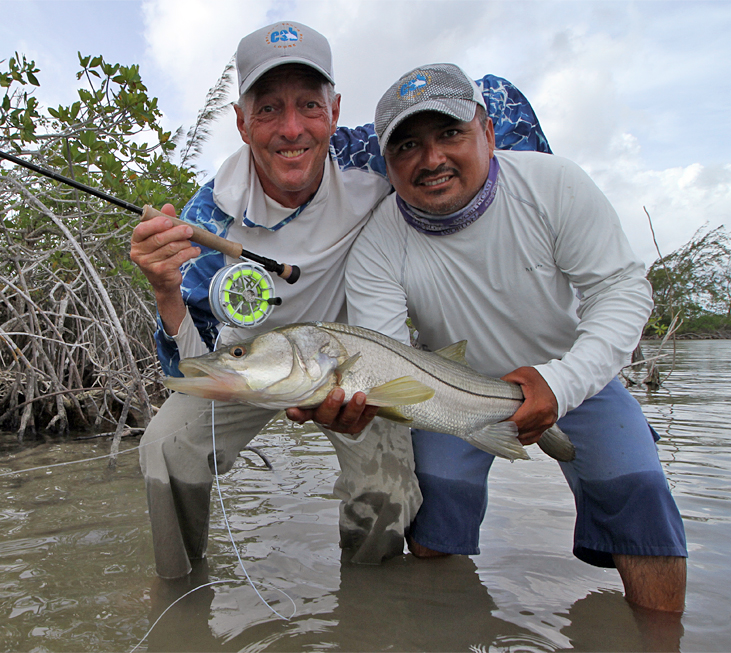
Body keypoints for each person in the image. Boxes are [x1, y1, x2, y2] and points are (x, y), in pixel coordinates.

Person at [130, 21, 551, 578]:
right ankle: (179, 590)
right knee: (165, 447)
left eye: (309, 105)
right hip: (252, 364)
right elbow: (189, 365)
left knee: (389, 494)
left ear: (334, 112)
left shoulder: (373, 158)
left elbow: (494, 101)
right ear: (241, 123)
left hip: (360, 363)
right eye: (268, 109)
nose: (291, 129)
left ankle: (367, 608)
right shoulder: (209, 217)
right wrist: (165, 289)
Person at [338, 63, 687, 612]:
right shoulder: (377, 245)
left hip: (574, 374)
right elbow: (387, 362)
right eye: (407, 145)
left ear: (489, 132)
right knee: (433, 510)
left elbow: (621, 290)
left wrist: (560, 384)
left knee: (640, 499)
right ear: (387, 162)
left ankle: (662, 638)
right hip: (450, 391)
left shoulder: (555, 184)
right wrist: (351, 403)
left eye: (450, 133)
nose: (432, 159)